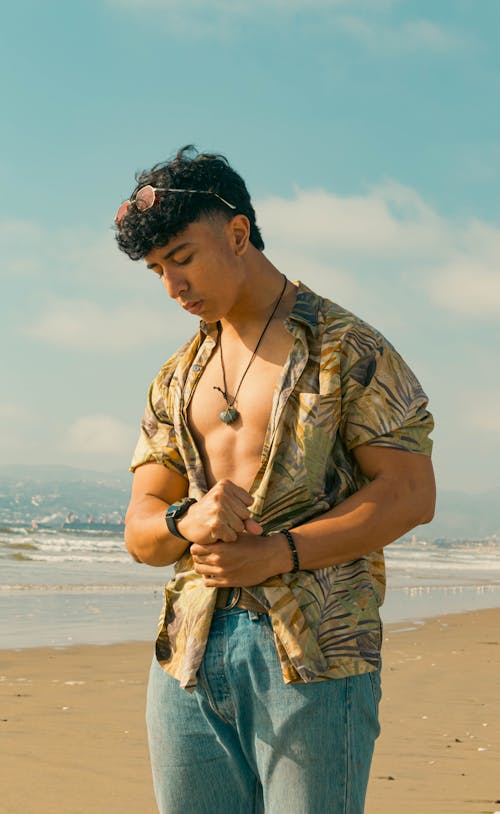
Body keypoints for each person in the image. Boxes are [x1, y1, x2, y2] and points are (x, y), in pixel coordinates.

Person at [114, 145, 435, 814]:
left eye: (182, 258)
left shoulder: (350, 348)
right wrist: (183, 520)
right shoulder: (176, 377)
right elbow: (141, 530)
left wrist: (278, 552)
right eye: (156, 270)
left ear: (237, 234)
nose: (172, 286)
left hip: (316, 655)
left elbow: (409, 494)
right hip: (187, 657)